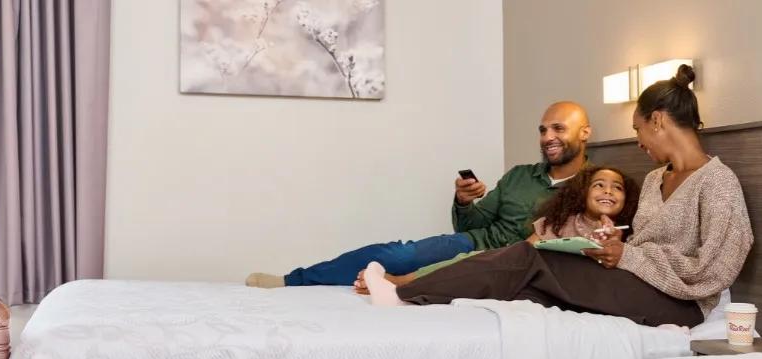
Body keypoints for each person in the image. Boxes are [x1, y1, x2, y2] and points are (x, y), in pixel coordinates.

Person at [363, 65, 753, 328]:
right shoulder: (654, 179)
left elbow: (713, 272)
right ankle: (422, 308)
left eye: (638, 130)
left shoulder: (716, 182)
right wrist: (615, 244)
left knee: (527, 258)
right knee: (531, 279)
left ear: (658, 120)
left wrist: (629, 255)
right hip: (636, 280)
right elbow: (643, 246)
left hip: (679, 304)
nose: (638, 142)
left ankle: (401, 293)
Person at [246, 102, 593, 288]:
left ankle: (395, 288)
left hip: (510, 263)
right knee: (395, 254)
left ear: (585, 132)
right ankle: (294, 280)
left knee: (427, 281)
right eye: (543, 129)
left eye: (558, 128)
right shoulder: (520, 175)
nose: (547, 136)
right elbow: (472, 223)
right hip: (470, 243)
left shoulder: (593, 188)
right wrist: (464, 201)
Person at [354, 165, 640, 293]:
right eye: (599, 185)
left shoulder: (626, 232)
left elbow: (623, 264)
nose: (607, 191)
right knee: (467, 263)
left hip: (561, 286)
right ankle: (403, 281)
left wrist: (613, 241)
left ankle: (401, 285)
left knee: (475, 268)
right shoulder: (559, 219)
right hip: (524, 267)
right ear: (582, 192)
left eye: (617, 188)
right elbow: (526, 248)